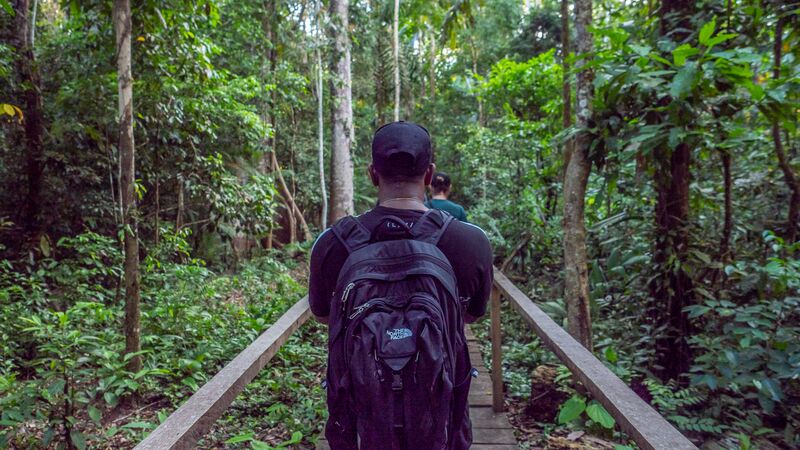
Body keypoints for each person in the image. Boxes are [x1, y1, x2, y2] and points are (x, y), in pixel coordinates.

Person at [308, 121, 493, 450]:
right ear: (428, 174)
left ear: (372, 173)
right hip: (440, 407)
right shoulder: (472, 241)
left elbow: (325, 315)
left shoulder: (331, 244)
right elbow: (473, 315)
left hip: (363, 411)